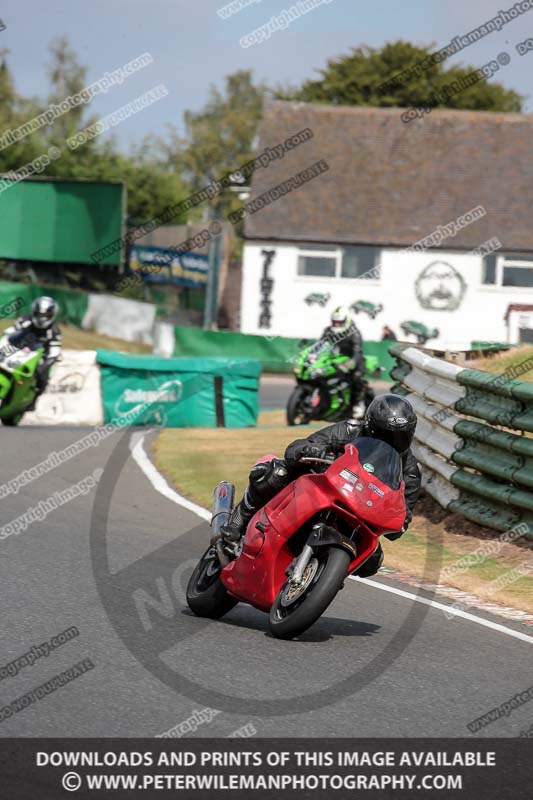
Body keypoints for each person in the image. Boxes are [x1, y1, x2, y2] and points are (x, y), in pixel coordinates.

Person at [221, 394, 421, 577]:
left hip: (358, 512)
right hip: (323, 489)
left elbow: (402, 520)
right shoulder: (349, 430)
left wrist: (396, 520)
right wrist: (311, 450)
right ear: (370, 426)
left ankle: (326, 577)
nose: (392, 442)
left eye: (401, 436)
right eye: (385, 435)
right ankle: (239, 519)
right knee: (275, 472)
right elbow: (295, 448)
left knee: (372, 561)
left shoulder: (410, 470)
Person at [4, 297, 62, 407]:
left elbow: (55, 350)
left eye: (45, 315)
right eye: (39, 314)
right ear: (34, 312)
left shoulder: (54, 331)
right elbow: (12, 331)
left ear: (52, 315)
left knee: (43, 375)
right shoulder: (25, 320)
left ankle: (33, 399)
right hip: (20, 350)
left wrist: (46, 364)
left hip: (40, 357)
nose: (42, 318)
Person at [319, 306, 366, 417]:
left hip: (354, 360)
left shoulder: (354, 332)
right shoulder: (328, 331)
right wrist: (313, 355)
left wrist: (352, 362)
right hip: (336, 360)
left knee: (355, 378)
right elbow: (320, 345)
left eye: (339, 322)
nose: (337, 325)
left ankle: (359, 404)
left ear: (347, 320)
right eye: (335, 322)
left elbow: (357, 350)